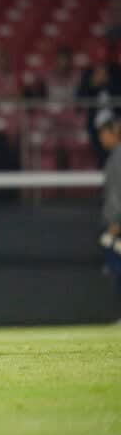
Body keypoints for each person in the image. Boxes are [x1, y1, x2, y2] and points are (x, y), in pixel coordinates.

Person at [96, 111, 121, 319]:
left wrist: (116, 223)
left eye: (104, 132)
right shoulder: (115, 156)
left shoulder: (119, 157)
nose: (101, 138)